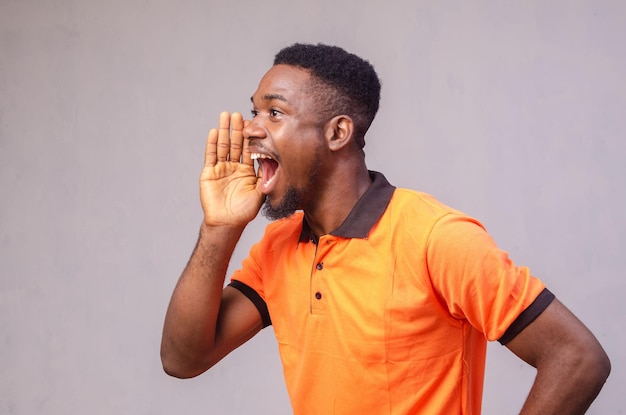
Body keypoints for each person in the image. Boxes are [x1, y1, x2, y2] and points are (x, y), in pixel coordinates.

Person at [160, 43, 610, 414]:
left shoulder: (436, 238)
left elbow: (577, 358)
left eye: (274, 113)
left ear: (337, 133)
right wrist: (218, 228)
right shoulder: (279, 245)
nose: (251, 129)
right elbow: (183, 359)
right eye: (253, 111)